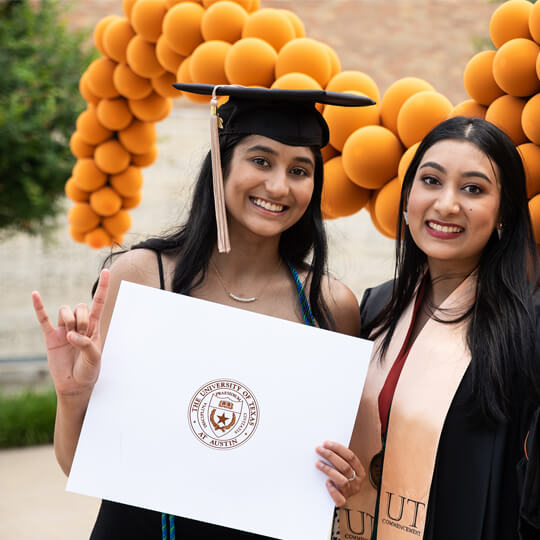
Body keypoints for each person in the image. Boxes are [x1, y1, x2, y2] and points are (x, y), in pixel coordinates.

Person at [32, 84, 374, 539]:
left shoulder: (330, 304)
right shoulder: (141, 278)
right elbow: (79, 464)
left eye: (300, 169)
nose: (278, 185)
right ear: (221, 161)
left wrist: (346, 478)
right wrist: (72, 395)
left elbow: (329, 471)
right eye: (261, 160)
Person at [338, 116, 540, 540]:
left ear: (504, 210)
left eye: (473, 189)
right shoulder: (378, 306)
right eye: (431, 181)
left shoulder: (528, 328)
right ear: (408, 195)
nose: (447, 205)